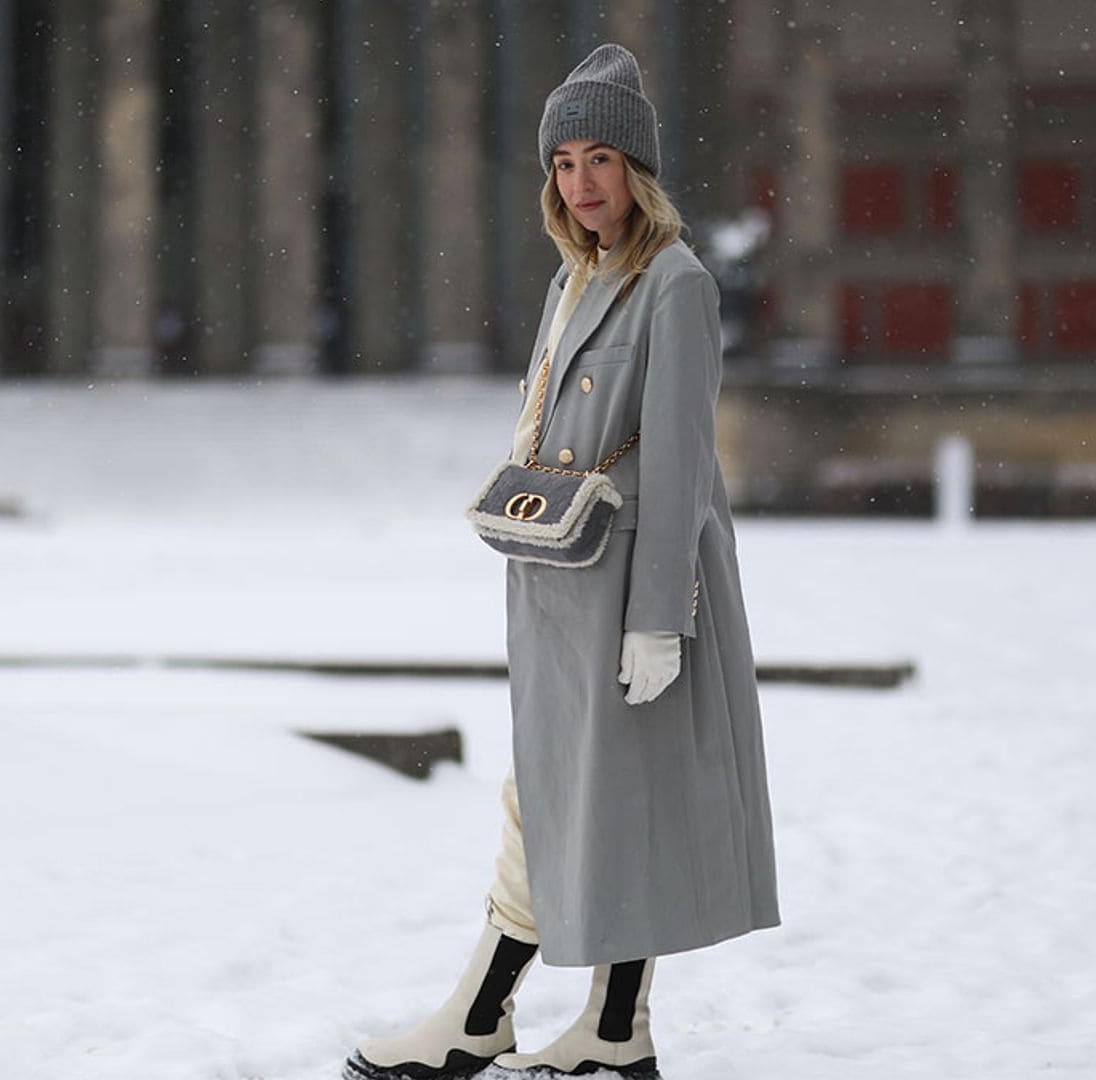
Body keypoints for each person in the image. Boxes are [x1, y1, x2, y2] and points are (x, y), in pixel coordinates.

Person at [345, 43, 779, 1080]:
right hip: (561, 579)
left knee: (563, 801)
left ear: (640, 169)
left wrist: (658, 617)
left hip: (631, 589)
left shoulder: (673, 285)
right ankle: (612, 1029)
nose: (582, 184)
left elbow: (681, 461)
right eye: (565, 163)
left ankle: (483, 1016)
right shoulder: (575, 275)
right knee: (588, 801)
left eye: (601, 160)